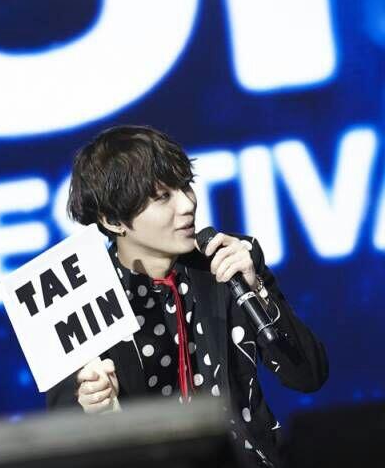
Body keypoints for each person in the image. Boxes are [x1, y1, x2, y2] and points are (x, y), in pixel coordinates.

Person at [47, 125, 328, 467]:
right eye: (162, 197)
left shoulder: (227, 261)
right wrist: (95, 408)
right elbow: (61, 439)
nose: (187, 204)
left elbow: (309, 375)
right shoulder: (76, 296)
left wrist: (257, 290)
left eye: (185, 186)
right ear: (114, 220)